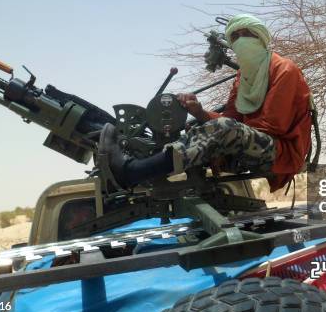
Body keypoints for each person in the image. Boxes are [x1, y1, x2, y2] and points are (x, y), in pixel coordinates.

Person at [99, 14, 312, 192]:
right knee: (202, 129)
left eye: (247, 34)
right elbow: (232, 118)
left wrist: (216, 139)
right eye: (235, 36)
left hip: (281, 153)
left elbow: (271, 126)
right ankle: (141, 171)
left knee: (219, 131)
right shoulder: (243, 76)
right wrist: (200, 113)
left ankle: (132, 172)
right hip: (253, 148)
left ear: (261, 38)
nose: (241, 40)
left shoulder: (285, 70)